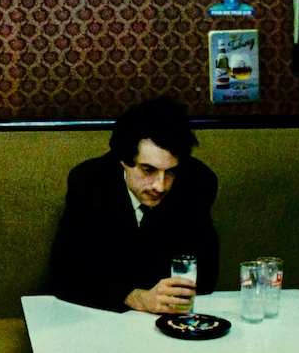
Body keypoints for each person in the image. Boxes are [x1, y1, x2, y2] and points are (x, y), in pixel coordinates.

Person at [48, 96, 219, 314]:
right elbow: (64, 274)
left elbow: (205, 275)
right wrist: (135, 297)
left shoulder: (197, 182)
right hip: (104, 316)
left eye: (171, 172)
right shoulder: (89, 182)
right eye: (148, 170)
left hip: (172, 316)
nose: (160, 186)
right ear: (123, 160)